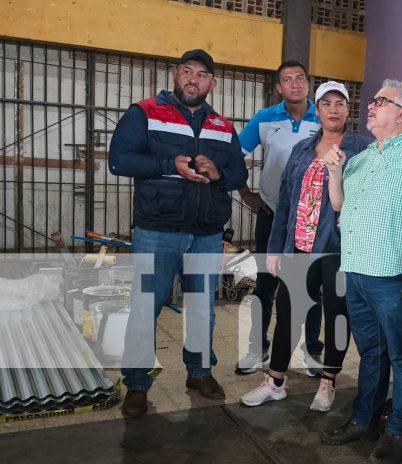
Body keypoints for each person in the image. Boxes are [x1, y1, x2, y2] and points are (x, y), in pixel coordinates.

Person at [109, 49, 248, 417]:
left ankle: (199, 373)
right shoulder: (145, 112)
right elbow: (119, 160)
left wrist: (220, 176)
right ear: (175, 74)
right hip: (157, 230)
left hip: (205, 232)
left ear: (212, 83)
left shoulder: (221, 125)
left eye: (202, 74)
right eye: (187, 71)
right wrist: (169, 164)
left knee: (202, 309)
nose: (193, 79)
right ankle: (137, 383)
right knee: (145, 308)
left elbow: (239, 174)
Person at [321, 79, 402, 464]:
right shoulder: (359, 158)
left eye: (381, 101)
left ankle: (398, 431)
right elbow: (340, 206)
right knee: (371, 353)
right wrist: (334, 174)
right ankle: (364, 420)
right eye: (373, 100)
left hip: (397, 278)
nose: (372, 106)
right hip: (358, 271)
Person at [239, 81, 370, 411]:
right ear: (318, 109)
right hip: (299, 244)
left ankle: (328, 381)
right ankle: (275, 381)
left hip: (338, 248)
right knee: (287, 313)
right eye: (326, 104)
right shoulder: (302, 150)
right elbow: (285, 203)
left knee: (337, 314)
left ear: (347, 109)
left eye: (340, 103)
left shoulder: (362, 149)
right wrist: (276, 248)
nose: (333, 109)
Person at [235, 60, 323, 376]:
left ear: (308, 84)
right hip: (271, 217)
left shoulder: (323, 117)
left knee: (311, 288)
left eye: (300, 78)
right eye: (287, 79)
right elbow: (233, 158)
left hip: (310, 221)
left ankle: (312, 353)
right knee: (264, 286)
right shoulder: (264, 119)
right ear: (279, 88)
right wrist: (246, 194)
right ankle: (256, 350)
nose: (295, 84)